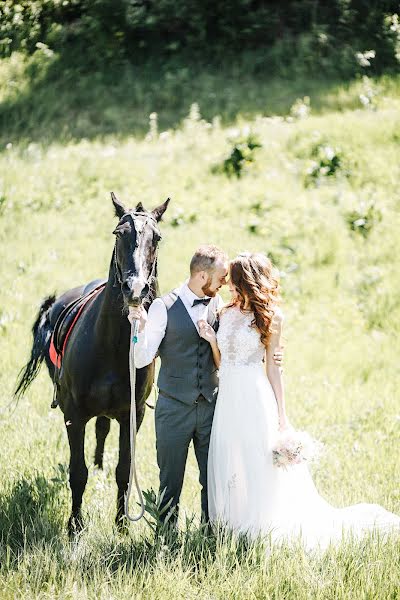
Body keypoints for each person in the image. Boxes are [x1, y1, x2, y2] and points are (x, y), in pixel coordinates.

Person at [199, 252, 400, 550]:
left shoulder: (270, 317)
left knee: (259, 460)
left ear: (246, 280)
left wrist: (282, 414)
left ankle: (263, 527)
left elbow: (272, 366)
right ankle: (236, 524)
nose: (228, 284)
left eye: (233, 279)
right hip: (228, 398)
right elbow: (222, 364)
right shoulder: (225, 313)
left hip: (255, 395)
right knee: (233, 458)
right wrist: (213, 341)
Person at [129, 244, 284, 525]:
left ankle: (210, 534)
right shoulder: (163, 308)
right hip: (173, 409)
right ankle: (166, 537)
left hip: (214, 408)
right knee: (170, 480)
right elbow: (141, 360)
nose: (226, 283)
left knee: (215, 479)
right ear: (202, 276)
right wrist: (138, 330)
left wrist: (273, 355)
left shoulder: (221, 308)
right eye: (222, 277)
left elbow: (247, 340)